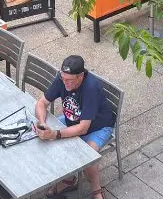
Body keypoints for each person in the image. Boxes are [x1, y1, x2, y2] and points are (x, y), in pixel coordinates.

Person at [35, 55, 116, 199]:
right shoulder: (63, 79)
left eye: (69, 80)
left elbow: (83, 128)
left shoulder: (91, 88)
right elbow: (41, 103)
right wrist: (42, 123)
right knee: (45, 141)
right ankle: (68, 180)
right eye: (63, 78)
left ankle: (97, 191)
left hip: (98, 126)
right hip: (72, 120)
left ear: (80, 77)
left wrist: (55, 134)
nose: (65, 83)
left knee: (87, 155)